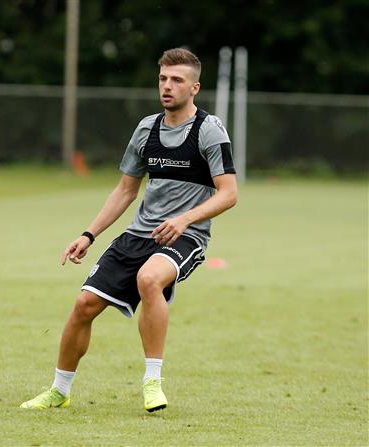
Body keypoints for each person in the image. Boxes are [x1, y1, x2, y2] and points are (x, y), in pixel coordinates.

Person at [20, 48, 237, 412]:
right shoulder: (146, 129)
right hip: (139, 234)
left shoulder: (208, 130)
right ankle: (59, 390)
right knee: (84, 305)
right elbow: (125, 191)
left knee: (150, 279)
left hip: (186, 237)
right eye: (163, 79)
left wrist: (184, 219)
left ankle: (152, 383)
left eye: (177, 80)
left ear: (194, 88)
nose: (167, 86)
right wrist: (88, 234)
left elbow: (229, 193)